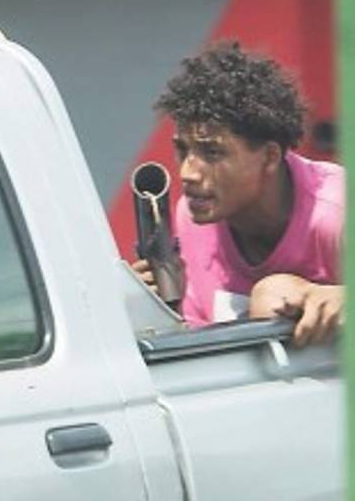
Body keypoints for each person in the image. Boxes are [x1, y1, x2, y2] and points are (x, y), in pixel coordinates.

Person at [133, 42, 344, 347]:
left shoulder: (336, 212)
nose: (188, 173)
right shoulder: (193, 215)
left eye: (212, 152)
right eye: (183, 150)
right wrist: (162, 310)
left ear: (269, 157)